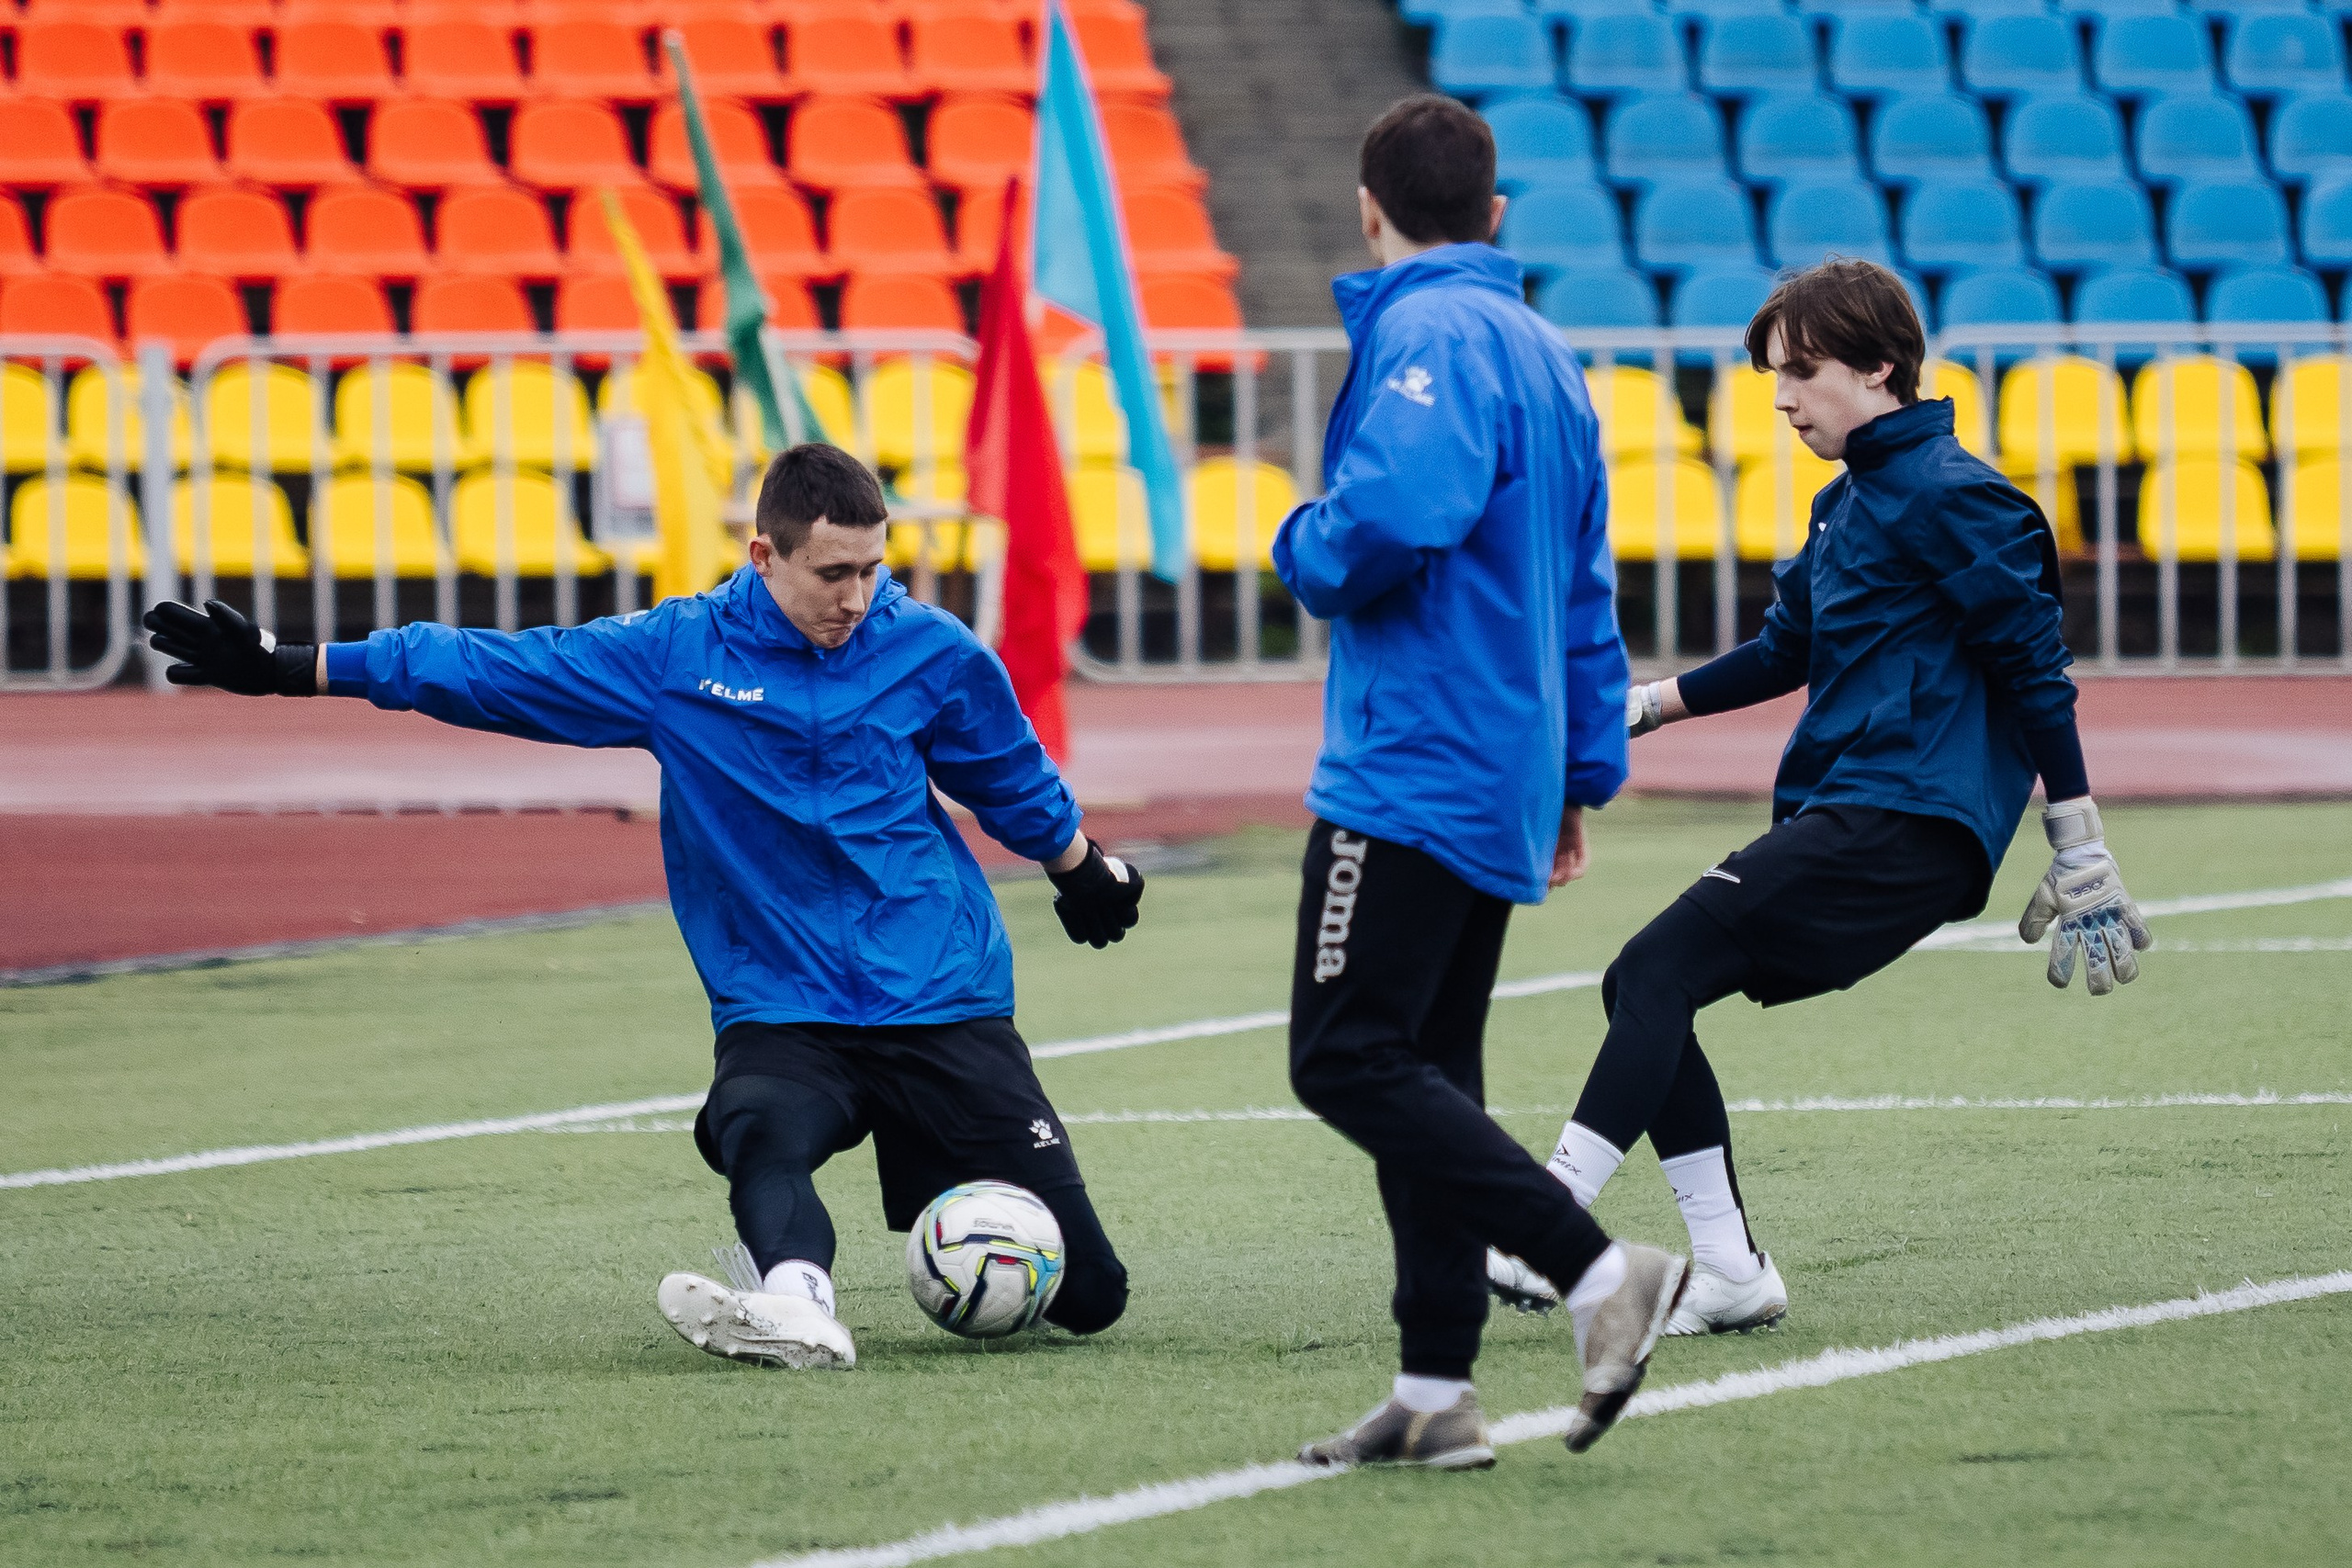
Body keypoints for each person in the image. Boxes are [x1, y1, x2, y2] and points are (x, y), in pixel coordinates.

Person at [142, 443, 1148, 1371]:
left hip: (938, 994)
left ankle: (960, 1242)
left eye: (873, 569)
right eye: (832, 573)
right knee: (759, 1123)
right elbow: (492, 667)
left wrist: (1080, 865)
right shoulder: (676, 654)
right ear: (764, 554)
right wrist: (295, 666)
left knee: (1091, 1296)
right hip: (782, 1002)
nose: (857, 595)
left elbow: (1007, 774)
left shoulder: (928, 649)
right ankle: (796, 1303)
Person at [1487, 258, 2150, 1335]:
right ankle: (1730, 1272)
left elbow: (2037, 670)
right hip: (1859, 814)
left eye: (1803, 372)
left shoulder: (1956, 496)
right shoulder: (1848, 500)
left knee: (1656, 967)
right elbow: (1783, 650)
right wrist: (1642, 706)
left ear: (1881, 366)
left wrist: (2076, 837)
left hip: (1907, 821)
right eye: (1773, 378)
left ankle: (1545, 1225)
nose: (1784, 398)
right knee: (1644, 984)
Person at [1272, 95, 1689, 1472]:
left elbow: (1391, 517)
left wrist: (1300, 544)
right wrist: (1577, 769)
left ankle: (1593, 1268)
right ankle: (1436, 1388)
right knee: (1427, 1070)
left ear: (1367, 209)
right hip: (1501, 760)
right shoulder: (1545, 349)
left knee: (1341, 1055)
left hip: (1412, 759)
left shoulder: (1431, 329)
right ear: (1497, 215)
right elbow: (1582, 590)